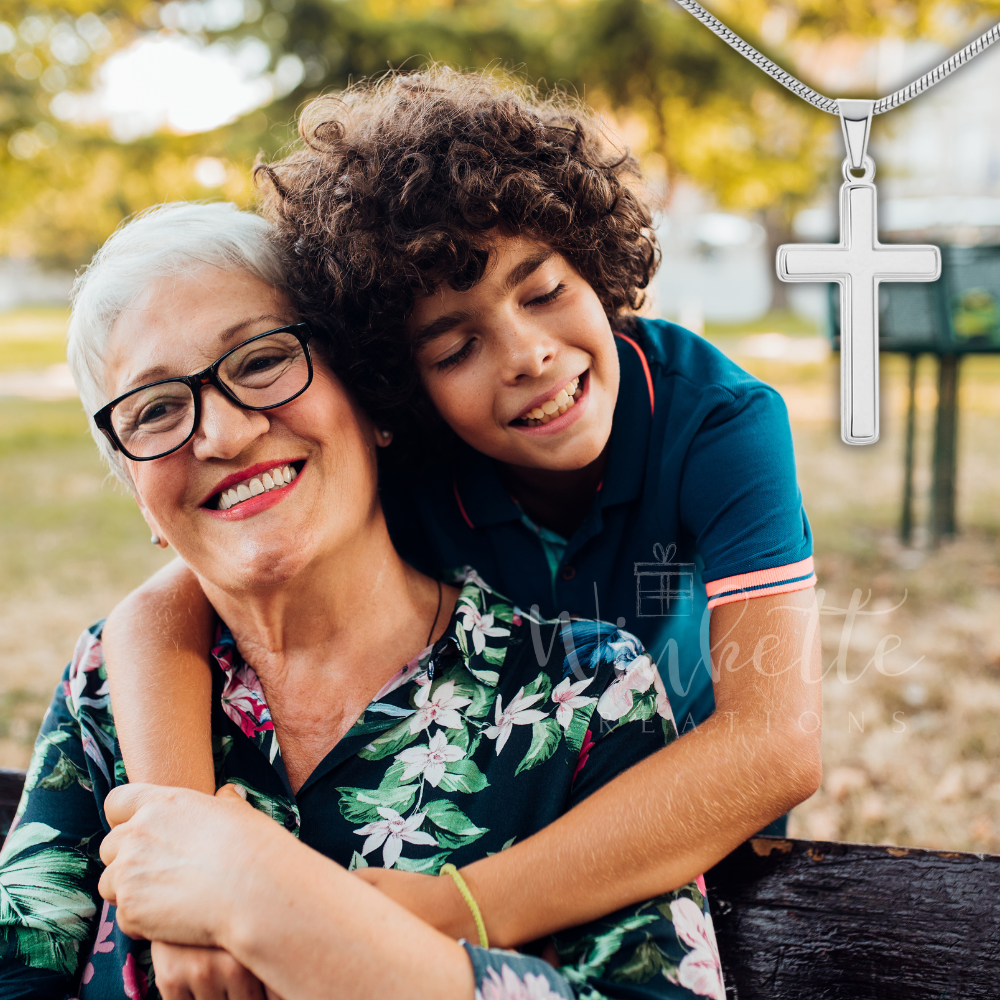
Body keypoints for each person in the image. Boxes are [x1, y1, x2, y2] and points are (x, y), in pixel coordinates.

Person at [104, 72, 822, 967]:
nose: (528, 355)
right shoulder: (410, 451)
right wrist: (184, 846)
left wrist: (459, 910)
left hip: (682, 816)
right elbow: (156, 609)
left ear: (595, 263)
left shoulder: (717, 421)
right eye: (455, 346)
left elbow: (776, 742)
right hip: (494, 807)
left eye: (545, 288)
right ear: (397, 383)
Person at [0, 202, 725, 1000]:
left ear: (374, 400)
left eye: (262, 360)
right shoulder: (109, 685)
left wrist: (267, 898)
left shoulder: (582, 690)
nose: (224, 435)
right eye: (157, 411)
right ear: (140, 497)